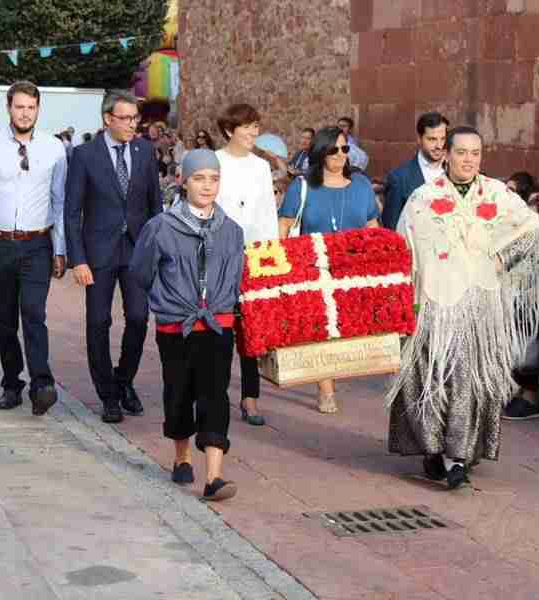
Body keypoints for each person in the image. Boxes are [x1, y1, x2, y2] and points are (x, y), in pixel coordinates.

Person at [387, 126, 539, 490]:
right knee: (429, 380)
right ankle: (431, 449)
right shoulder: (423, 197)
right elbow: (403, 247)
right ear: (447, 154)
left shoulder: (496, 193)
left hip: (477, 307)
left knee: (466, 382)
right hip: (431, 304)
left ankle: (457, 456)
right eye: (461, 152)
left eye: (475, 153)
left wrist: (501, 259)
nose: (468, 160)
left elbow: (532, 229)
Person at [131, 150, 245, 501]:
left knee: (215, 395)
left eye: (213, 178)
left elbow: (238, 273)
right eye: (199, 178)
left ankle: (214, 476)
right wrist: (168, 301)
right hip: (176, 327)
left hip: (217, 324)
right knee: (178, 393)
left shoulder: (232, 231)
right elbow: (141, 271)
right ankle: (181, 456)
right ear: (183, 181)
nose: (207, 186)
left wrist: (223, 302)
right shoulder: (161, 227)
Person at [0, 81, 68, 416]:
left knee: (34, 313)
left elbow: (60, 200)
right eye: (19, 106)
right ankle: (12, 384)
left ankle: (42, 383)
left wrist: (60, 248)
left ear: (38, 109)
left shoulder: (54, 148)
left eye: (31, 107)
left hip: (37, 243)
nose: (25, 113)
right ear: (8, 107)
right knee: (6, 318)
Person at [65, 90, 161, 424]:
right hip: (98, 253)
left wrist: (156, 251)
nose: (133, 124)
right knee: (98, 322)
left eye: (136, 118)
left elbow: (154, 207)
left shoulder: (145, 152)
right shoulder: (84, 155)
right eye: (126, 118)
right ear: (108, 119)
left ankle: (124, 380)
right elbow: (71, 211)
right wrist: (77, 259)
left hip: (136, 250)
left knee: (138, 317)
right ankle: (108, 395)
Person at [277, 126, 380, 413]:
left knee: (346, 330)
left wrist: (379, 257)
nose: (340, 155)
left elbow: (372, 224)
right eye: (333, 149)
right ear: (321, 152)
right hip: (315, 268)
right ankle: (326, 388)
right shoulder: (303, 186)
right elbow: (284, 225)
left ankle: (334, 374)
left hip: (354, 268)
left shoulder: (360, 185)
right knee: (322, 328)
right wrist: (284, 265)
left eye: (345, 149)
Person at [215, 104, 278, 426]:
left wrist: (269, 256)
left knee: (252, 330)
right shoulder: (215, 162)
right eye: (247, 127)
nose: (253, 133)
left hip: (254, 256)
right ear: (230, 131)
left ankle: (250, 397)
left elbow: (267, 212)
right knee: (221, 328)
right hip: (219, 257)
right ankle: (217, 394)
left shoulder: (261, 168)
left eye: (256, 127)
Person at [381, 112, 449, 230]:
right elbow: (391, 228)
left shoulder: (456, 171)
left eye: (443, 139)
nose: (439, 145)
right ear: (419, 139)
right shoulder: (399, 178)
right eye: (432, 139)